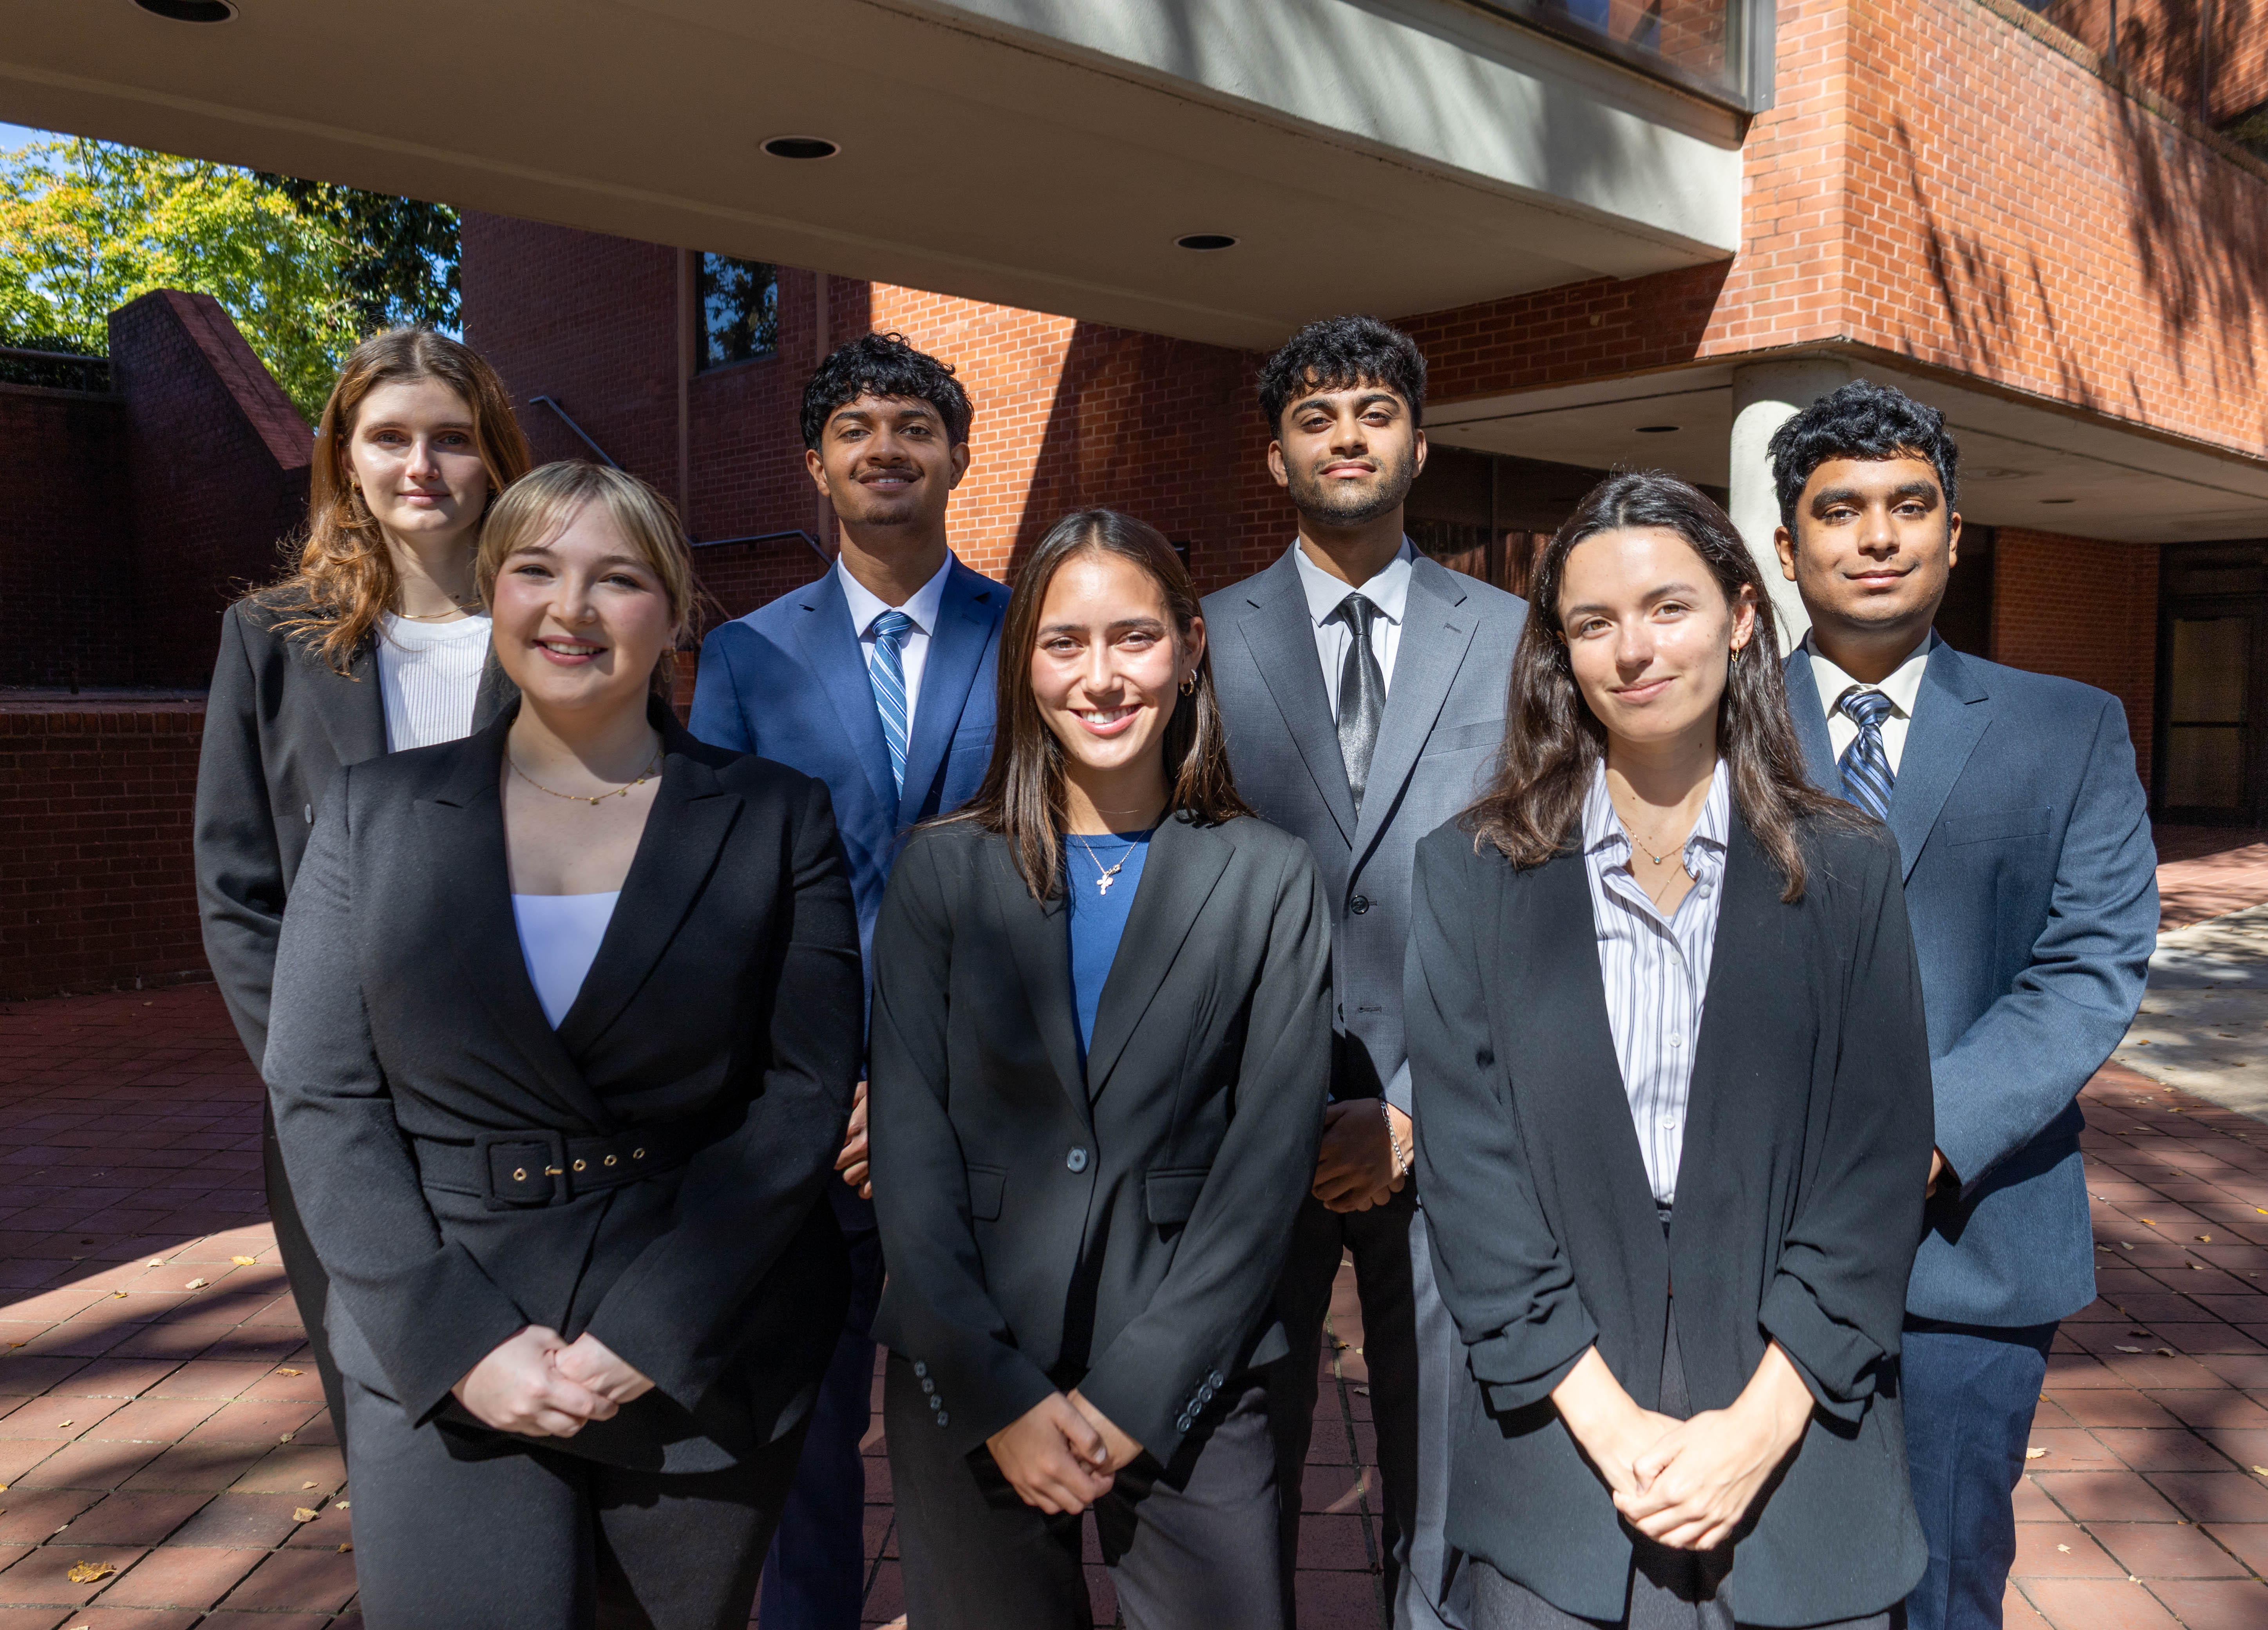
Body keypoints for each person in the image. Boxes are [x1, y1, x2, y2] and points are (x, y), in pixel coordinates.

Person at [262, 460, 860, 1630]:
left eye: (619, 578)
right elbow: (322, 1094)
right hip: (444, 1337)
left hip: (700, 1345)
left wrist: (655, 1329)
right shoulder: (372, 815)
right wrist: (459, 1342)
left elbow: (800, 1092)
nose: (571, 608)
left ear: (676, 610)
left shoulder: (776, 817)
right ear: (496, 593)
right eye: (536, 569)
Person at [1408, 469, 1935, 1630]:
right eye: (1592, 623)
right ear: (1560, 649)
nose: (1632, 651)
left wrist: (1754, 1433)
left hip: (1796, 1420)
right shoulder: (1472, 874)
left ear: (1743, 616)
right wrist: (1615, 1427)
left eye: (1668, 608)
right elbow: (1470, 1176)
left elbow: (1877, 1163)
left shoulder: (1846, 868)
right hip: (1558, 1424)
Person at [869, 508, 1332, 1629]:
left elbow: (1267, 1165)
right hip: (975, 1365)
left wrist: (1138, 1395)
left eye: (1134, 638)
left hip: (1194, 1370)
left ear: (1190, 649)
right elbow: (911, 1149)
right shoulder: (941, 873)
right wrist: (995, 1394)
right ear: (1024, 662)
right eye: (1064, 643)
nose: (1102, 677)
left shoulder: (1270, 875)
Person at [1770, 381, 2158, 1630]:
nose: (1876, 535)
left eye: (1907, 506)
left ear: (1951, 531)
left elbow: (2092, 959)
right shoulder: (1711, 735)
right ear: (1789, 547)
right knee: (1750, 1577)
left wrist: (1930, 1136)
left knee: (1943, 1590)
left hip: (1974, 1240)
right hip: (1743, 1243)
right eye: (1840, 510)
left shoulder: (2070, 727)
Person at [1201, 313, 1525, 1628]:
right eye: (1316, 418)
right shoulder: (1200, 639)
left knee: (1441, 1451)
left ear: (1421, 444)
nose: (1348, 436)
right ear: (1276, 458)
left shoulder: (1513, 633)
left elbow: (1537, 886)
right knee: (1232, 1453)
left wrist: (1413, 1106)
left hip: (1443, 1112)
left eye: (1375, 412)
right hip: (1242, 1121)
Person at [689, 331, 1006, 1629]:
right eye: (856, 429)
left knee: (975, 1412)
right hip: (812, 1112)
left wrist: (929, 1080)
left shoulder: (1030, 630)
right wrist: (825, 1086)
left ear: (958, 456)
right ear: (815, 466)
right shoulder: (747, 657)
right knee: (806, 1426)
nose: (886, 448)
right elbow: (721, 896)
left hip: (993, 1091)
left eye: (913, 426)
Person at [195, 327, 534, 1449]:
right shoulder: (272, 637)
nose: (421, 467)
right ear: (345, 457)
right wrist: (314, 1073)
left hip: (539, 1095)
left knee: (552, 1401)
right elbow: (239, 887)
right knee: (393, 1404)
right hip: (346, 1113)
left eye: (452, 438)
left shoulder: (564, 625)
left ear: (494, 456)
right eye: (389, 439)